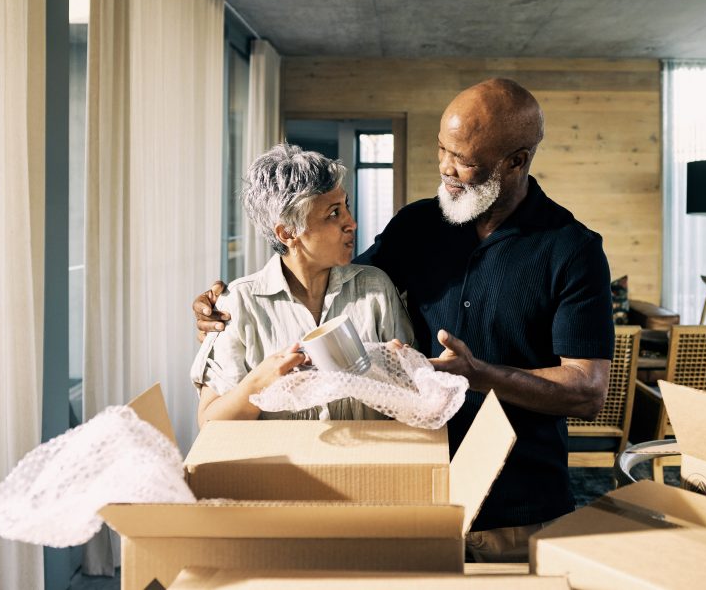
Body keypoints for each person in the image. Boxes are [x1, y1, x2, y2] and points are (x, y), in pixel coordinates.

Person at [194, 79, 614, 562]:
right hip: (413, 494)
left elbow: (587, 391)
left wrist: (480, 376)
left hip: (519, 502)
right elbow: (335, 280)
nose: (445, 168)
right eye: (442, 149)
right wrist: (217, 309)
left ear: (515, 161)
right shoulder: (418, 226)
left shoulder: (573, 250)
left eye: (465, 160)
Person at [190, 144, 414, 427]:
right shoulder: (239, 303)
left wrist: (396, 376)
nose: (351, 223)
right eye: (334, 213)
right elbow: (209, 423)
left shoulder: (375, 290)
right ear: (288, 232)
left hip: (365, 467)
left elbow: (412, 404)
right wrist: (259, 381)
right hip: (279, 471)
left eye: (346, 206)